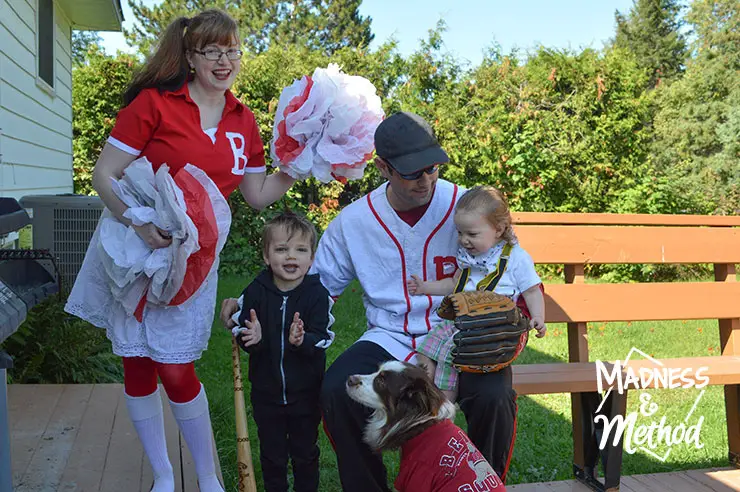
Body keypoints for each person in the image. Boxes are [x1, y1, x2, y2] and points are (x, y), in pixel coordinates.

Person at [222, 111, 521, 491]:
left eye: (432, 167)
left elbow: (513, 266)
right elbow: (313, 288)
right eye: (412, 171)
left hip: (458, 337)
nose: (426, 179)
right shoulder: (354, 221)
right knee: (335, 391)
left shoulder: (467, 207)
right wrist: (251, 301)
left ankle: (483, 487)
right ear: (382, 167)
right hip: (390, 336)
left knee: (493, 395)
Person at [65, 10, 295, 492]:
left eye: (232, 50)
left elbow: (255, 195)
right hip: (136, 249)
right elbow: (103, 175)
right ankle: (165, 476)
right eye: (213, 51)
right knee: (138, 364)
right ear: (190, 56)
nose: (225, 60)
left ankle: (208, 477)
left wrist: (298, 167)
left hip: (193, 260)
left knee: (175, 367)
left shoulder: (243, 119)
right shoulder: (153, 104)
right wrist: (138, 222)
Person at [408, 185, 547, 402]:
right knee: (426, 348)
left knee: (448, 356)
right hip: (463, 321)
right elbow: (455, 283)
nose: (463, 240)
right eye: (460, 233)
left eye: (471, 234)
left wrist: (538, 317)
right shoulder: (469, 256)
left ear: (499, 230)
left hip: (496, 329)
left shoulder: (516, 258)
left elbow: (532, 290)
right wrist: (426, 287)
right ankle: (426, 390)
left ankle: (443, 407)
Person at [233, 211, 334, 492]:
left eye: (300, 250)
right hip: (266, 393)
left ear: (311, 258)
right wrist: (252, 339)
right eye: (281, 249)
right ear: (267, 256)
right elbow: (243, 332)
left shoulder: (317, 295)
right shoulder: (256, 291)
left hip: (306, 393)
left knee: (304, 453)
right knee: (272, 455)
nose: (291, 257)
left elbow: (322, 337)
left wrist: (302, 341)